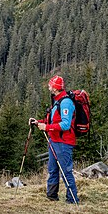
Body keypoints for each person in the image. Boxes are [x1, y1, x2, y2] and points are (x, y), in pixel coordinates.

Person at [29, 75, 79, 204]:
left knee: (66, 172)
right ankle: (52, 196)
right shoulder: (57, 100)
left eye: (50, 84)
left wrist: (46, 127)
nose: (48, 86)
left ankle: (72, 200)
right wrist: (38, 122)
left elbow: (66, 125)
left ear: (55, 88)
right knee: (52, 170)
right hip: (54, 141)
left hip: (64, 143)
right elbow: (52, 119)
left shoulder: (66, 102)